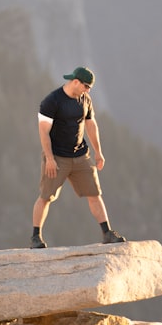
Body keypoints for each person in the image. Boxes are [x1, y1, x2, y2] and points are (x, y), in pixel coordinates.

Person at [31, 66, 127, 248]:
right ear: (75, 82)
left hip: (81, 156)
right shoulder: (51, 101)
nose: (88, 90)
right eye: (86, 86)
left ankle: (107, 233)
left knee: (95, 194)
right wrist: (50, 159)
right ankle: (36, 237)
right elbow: (43, 133)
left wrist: (98, 152)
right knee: (45, 196)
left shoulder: (85, 100)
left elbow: (91, 125)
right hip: (57, 158)